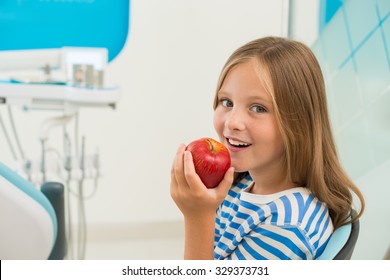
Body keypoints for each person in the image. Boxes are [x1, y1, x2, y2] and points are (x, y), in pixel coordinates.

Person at [170, 36, 365, 260]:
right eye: (227, 102)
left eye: (258, 108)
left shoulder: (286, 226)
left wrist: (197, 217)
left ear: (298, 123)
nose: (232, 122)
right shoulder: (242, 182)